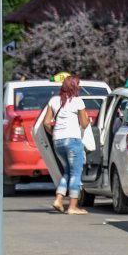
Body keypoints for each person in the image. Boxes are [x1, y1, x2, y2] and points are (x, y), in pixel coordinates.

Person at [42, 75, 91, 214]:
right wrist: (89, 120)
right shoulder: (77, 101)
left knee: (67, 172)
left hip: (58, 141)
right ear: (75, 87)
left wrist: (55, 134)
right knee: (76, 173)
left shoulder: (53, 100)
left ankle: (58, 200)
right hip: (73, 141)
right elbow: (84, 124)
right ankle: (73, 207)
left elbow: (46, 122)